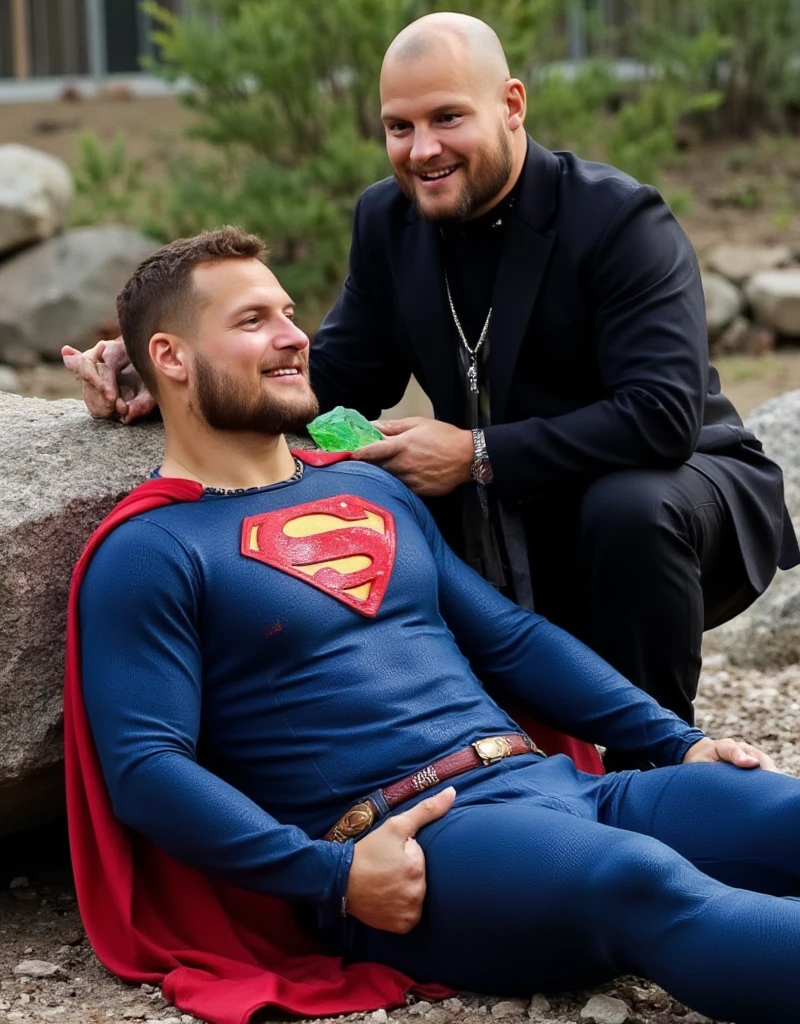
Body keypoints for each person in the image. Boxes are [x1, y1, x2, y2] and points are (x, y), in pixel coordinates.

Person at [71, 227, 800, 1024]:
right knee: (642, 882)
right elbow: (145, 767)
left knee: (773, 809)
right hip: (419, 849)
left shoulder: (370, 489)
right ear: (171, 359)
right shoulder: (149, 551)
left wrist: (675, 741)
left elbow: (510, 640)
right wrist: (334, 877)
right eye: (252, 322)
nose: (293, 335)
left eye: (287, 312)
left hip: (553, 786)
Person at [63, 14, 799, 762]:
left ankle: (662, 761)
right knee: (382, 494)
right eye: (398, 126)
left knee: (626, 509)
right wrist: (174, 366)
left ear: (511, 104)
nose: (422, 150)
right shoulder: (387, 220)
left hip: (683, 499)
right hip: (514, 510)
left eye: (447, 117)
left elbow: (664, 417)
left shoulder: (618, 219)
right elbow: (340, 379)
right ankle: (471, 755)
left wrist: (478, 455)